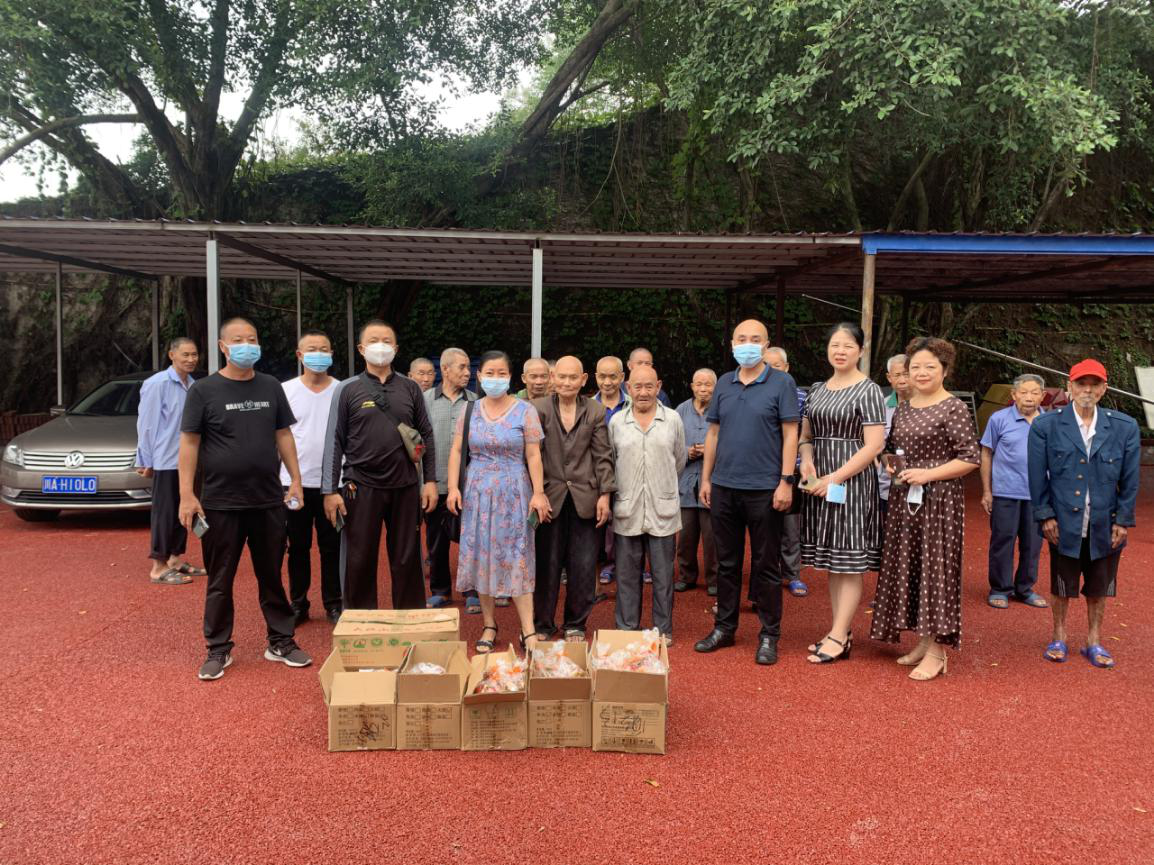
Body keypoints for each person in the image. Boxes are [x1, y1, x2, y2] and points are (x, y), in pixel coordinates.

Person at [178, 317, 310, 681]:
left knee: (271, 574)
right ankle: (218, 648)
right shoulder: (203, 390)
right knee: (220, 579)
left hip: (267, 499)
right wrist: (186, 495)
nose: (246, 346)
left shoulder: (270, 386)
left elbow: (283, 435)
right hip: (221, 502)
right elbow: (189, 443)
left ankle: (280, 641)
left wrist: (295, 480)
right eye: (238, 340)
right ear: (223, 347)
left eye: (252, 339)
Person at [871, 337, 979, 682]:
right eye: (915, 366)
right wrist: (893, 466)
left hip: (939, 503)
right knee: (913, 568)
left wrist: (928, 474)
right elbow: (892, 448)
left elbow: (970, 458)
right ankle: (923, 640)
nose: (921, 372)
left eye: (929, 366)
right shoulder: (904, 407)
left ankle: (937, 651)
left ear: (944, 370)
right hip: (905, 501)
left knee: (936, 571)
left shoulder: (953, 407)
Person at [694, 319, 799, 666]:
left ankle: (769, 633)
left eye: (755, 339)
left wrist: (786, 480)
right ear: (732, 344)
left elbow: (790, 433)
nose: (748, 344)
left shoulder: (782, 382)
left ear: (766, 345)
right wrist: (706, 479)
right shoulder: (725, 382)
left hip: (765, 489)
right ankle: (724, 627)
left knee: (766, 565)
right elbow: (713, 433)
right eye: (741, 339)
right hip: (724, 486)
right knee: (726, 563)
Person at [1030, 359, 1140, 669]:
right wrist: (1045, 515)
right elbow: (1037, 476)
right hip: (1063, 520)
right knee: (1061, 582)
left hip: (1105, 521)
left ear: (1104, 389)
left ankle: (1094, 640)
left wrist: (1123, 521)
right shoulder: (1046, 426)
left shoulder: (1124, 427)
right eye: (1081, 383)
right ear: (1070, 387)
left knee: (1099, 584)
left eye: (1094, 384)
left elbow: (1130, 479)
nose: (1087, 389)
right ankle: (1059, 636)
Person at [322, 320, 437, 610]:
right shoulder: (347, 389)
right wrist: (329, 490)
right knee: (359, 556)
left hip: (405, 484)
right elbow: (334, 440)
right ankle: (361, 620)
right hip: (360, 485)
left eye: (387, 341)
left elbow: (427, 435)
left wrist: (430, 481)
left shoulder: (411, 388)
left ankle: (410, 617)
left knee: (407, 557)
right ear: (361, 349)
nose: (381, 347)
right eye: (374, 341)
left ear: (396, 348)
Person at [446, 351, 550, 653]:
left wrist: (538, 492)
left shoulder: (525, 411)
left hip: (515, 492)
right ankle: (489, 624)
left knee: (519, 557)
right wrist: (452, 488)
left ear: (510, 376)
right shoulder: (468, 410)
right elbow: (456, 451)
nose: (495, 378)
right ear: (479, 376)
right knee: (482, 557)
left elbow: (533, 454)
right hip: (477, 493)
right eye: (489, 373)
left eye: (501, 373)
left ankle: (528, 629)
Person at [797, 324, 886, 664]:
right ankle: (840, 630)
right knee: (835, 560)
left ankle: (838, 634)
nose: (840, 351)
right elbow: (806, 436)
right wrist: (807, 462)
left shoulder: (869, 390)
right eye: (835, 344)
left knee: (849, 561)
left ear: (860, 351)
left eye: (848, 345)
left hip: (851, 484)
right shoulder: (817, 389)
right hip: (819, 481)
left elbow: (873, 445)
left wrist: (834, 477)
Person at [532, 356, 615, 641]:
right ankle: (542, 624)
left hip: (585, 496)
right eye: (562, 377)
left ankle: (575, 623)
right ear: (553, 378)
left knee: (583, 565)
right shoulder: (538, 409)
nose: (567, 382)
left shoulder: (595, 410)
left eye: (573, 377)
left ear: (583, 380)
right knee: (547, 564)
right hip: (549, 497)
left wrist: (605, 495)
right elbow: (532, 454)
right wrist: (536, 492)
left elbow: (603, 455)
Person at [610, 364, 686, 644]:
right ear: (628, 388)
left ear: (659, 387)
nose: (643, 392)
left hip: (662, 508)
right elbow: (611, 460)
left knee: (664, 576)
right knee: (626, 575)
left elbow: (679, 459)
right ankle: (627, 628)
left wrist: (659, 485)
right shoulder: (617, 422)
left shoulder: (673, 419)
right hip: (627, 507)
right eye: (637, 386)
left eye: (649, 386)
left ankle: (662, 630)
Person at [279, 331, 341, 625]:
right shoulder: (285, 390)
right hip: (294, 485)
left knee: (333, 547)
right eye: (312, 349)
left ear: (332, 354)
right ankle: (298, 603)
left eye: (324, 349)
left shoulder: (343, 390)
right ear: (300, 355)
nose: (319, 354)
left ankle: (334, 603)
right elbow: (277, 436)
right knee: (298, 547)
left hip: (332, 485)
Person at [136, 337, 203, 586]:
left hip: (188, 460)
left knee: (183, 510)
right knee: (164, 513)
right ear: (172, 355)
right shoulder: (157, 384)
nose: (191, 359)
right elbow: (147, 424)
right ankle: (158, 566)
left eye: (194, 354)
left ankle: (175, 559)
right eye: (185, 354)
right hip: (165, 458)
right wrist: (145, 460)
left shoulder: (194, 385)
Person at [980, 373, 1048, 610]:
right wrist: (987, 491)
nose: (1029, 397)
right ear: (1014, 394)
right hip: (1005, 492)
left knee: (1033, 544)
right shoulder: (999, 419)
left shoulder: (1049, 422)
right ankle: (1000, 588)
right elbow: (986, 453)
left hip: (1038, 496)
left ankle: (1025, 588)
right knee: (1002, 541)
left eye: (1034, 393)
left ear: (1042, 396)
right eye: (1023, 392)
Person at [423, 348, 479, 613]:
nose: (468, 373)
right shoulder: (424, 400)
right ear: (445, 369)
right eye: (462, 367)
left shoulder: (476, 402)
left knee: (471, 540)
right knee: (436, 540)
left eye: (469, 367)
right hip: (435, 483)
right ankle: (440, 590)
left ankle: (472, 590)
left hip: (469, 484)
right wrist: (425, 481)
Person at [766, 346, 810, 598]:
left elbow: (806, 434)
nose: (772, 371)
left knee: (791, 526)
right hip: (763, 468)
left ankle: (792, 574)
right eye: (767, 366)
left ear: (787, 368)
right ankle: (768, 573)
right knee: (765, 525)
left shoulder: (802, 397)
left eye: (777, 366)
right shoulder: (756, 393)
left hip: (792, 468)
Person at [674, 369, 718, 596]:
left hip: (712, 482)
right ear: (692, 386)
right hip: (685, 481)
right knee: (686, 536)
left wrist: (710, 451)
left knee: (713, 537)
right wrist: (687, 451)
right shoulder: (680, 411)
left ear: (716, 387)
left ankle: (714, 579)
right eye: (699, 384)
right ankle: (686, 576)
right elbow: (670, 442)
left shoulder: (721, 409)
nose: (703, 389)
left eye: (708, 384)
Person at [593, 355, 630, 585]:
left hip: (627, 474)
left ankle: (628, 568)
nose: (607, 382)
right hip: (596, 477)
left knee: (628, 523)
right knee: (598, 525)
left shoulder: (633, 404)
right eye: (603, 376)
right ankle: (602, 570)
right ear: (596, 377)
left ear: (622, 377)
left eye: (613, 376)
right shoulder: (587, 406)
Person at [877, 354, 911, 512]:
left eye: (906, 374)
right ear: (889, 377)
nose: (902, 380)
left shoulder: (927, 406)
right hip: (886, 485)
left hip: (920, 483)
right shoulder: (881, 406)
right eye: (897, 375)